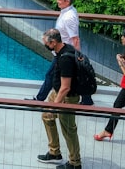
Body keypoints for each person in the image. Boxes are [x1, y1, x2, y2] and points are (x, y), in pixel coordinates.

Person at [34, 0, 93, 105]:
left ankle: (39, 100)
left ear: (67, 1)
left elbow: (75, 39)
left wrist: (77, 57)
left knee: (51, 75)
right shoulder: (67, 12)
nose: (57, 1)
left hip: (65, 53)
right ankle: (87, 99)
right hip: (63, 51)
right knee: (70, 76)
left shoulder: (69, 17)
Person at [37, 29, 82, 169]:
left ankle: (75, 163)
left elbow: (66, 87)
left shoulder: (65, 59)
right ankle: (54, 152)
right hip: (57, 93)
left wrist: (54, 106)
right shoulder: (63, 50)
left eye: (46, 43)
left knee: (68, 130)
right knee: (47, 116)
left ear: (53, 42)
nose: (45, 45)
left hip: (67, 97)